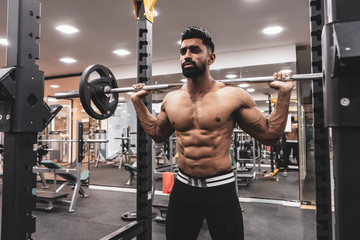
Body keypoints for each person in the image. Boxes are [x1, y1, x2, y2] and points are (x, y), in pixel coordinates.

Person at [131, 26, 295, 240]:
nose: (187, 56)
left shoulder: (232, 96)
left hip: (221, 190)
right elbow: (157, 133)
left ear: (211, 58)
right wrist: (138, 103)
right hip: (183, 189)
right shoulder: (171, 100)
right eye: (183, 51)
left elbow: (269, 135)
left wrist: (284, 94)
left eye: (194, 50)